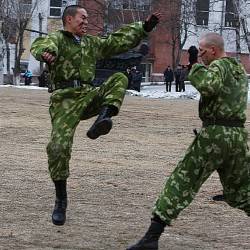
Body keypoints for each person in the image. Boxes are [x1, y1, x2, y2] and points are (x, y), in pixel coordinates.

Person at [30, 4, 161, 226]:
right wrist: (46, 54)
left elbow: (115, 41)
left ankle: (103, 119)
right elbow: (43, 45)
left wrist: (144, 28)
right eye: (82, 17)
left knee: (120, 78)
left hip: (88, 94)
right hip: (64, 100)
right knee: (58, 147)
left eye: (88, 18)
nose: (86, 21)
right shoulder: (58, 39)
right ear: (69, 19)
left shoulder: (91, 43)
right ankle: (61, 199)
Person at [126, 32, 250, 250]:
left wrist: (195, 66)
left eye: (202, 51)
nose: (200, 55)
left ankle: (151, 238)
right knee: (242, 191)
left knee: (182, 182)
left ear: (213, 50)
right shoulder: (239, 69)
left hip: (215, 135)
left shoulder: (219, 66)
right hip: (237, 136)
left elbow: (209, 86)